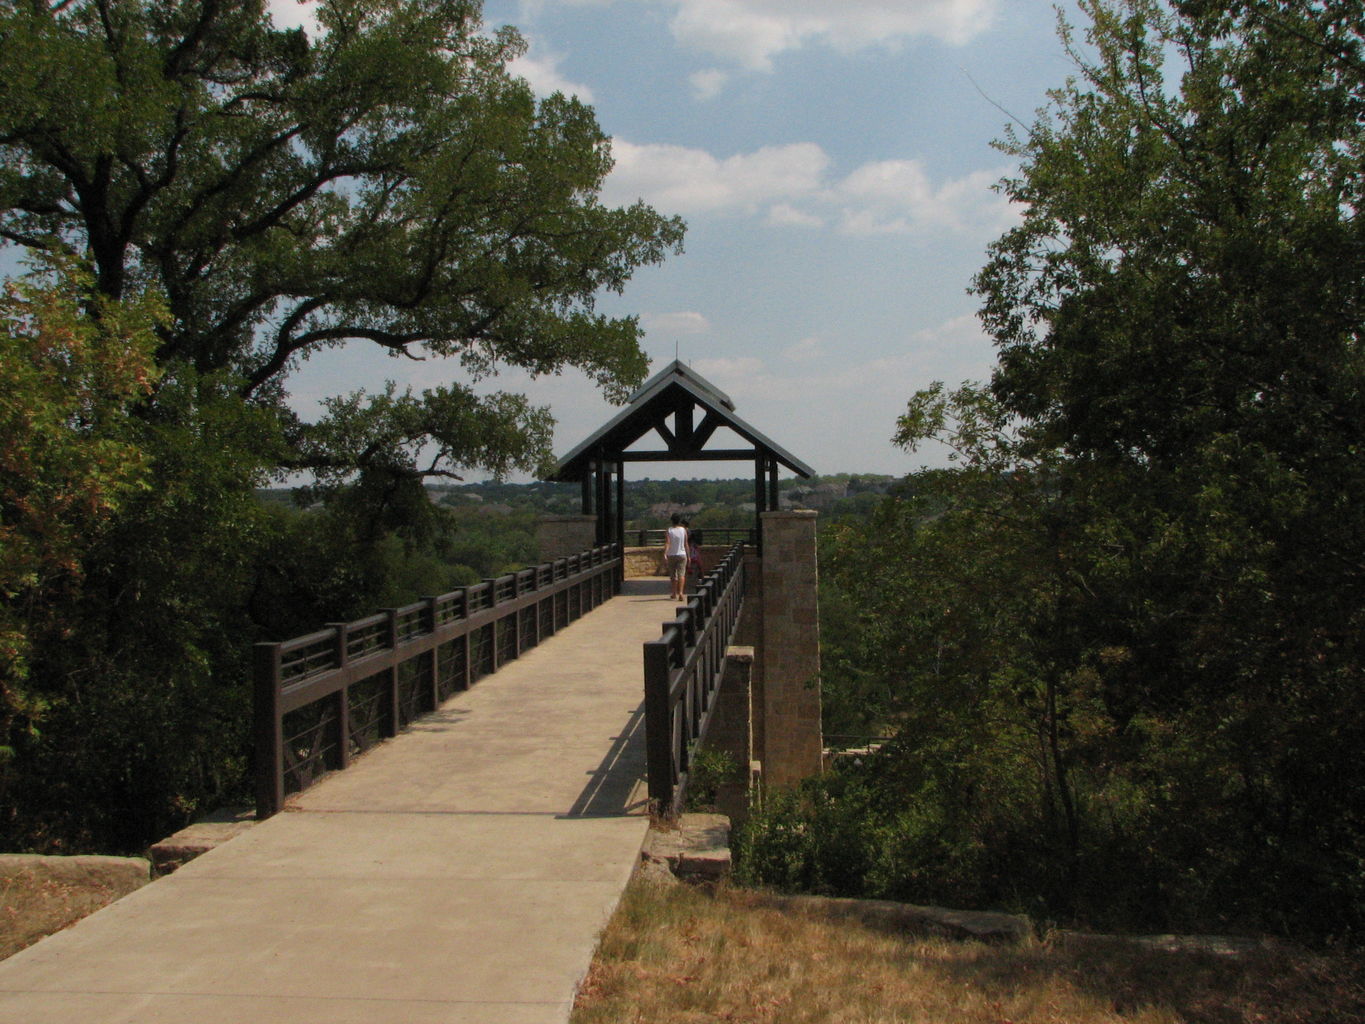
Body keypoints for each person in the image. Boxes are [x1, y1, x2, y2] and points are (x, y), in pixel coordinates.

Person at [665, 512, 689, 602]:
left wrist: (665, 553)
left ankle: (674, 593)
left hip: (671, 554)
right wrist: (689, 555)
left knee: (673, 575)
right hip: (682, 554)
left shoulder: (669, 530)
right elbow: (686, 543)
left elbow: (668, 543)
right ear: (679, 521)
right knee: (681, 575)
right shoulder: (683, 530)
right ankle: (681, 593)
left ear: (672, 521)